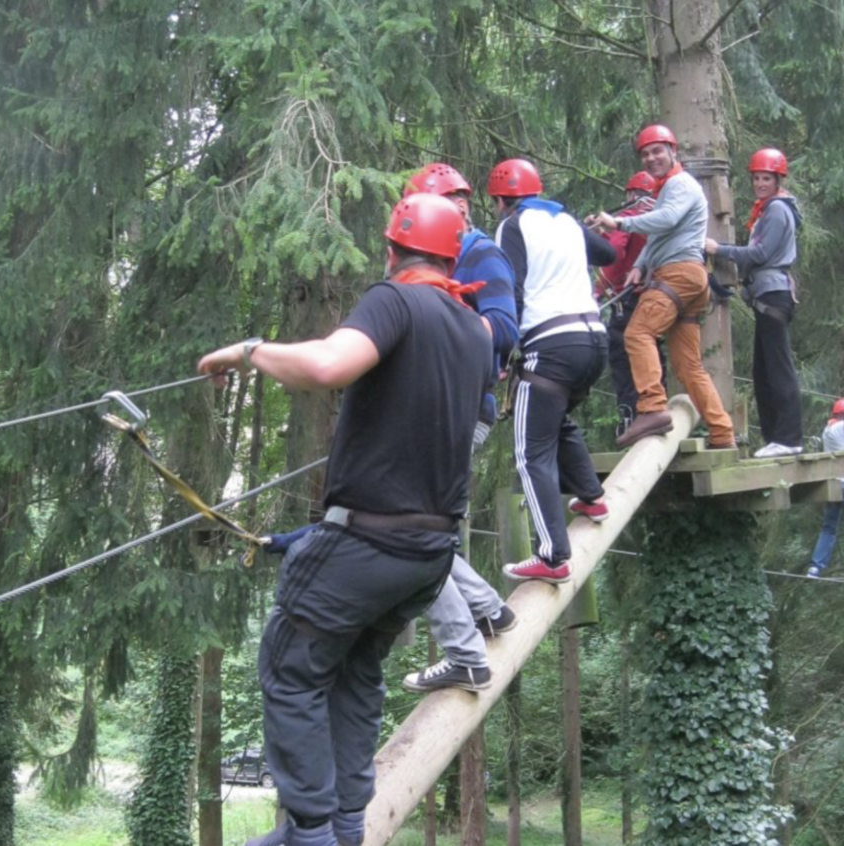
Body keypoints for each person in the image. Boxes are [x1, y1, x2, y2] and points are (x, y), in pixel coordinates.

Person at [198, 192, 493, 846]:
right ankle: (341, 824)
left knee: (290, 663)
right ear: (452, 256)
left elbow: (330, 367)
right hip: (429, 551)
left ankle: (309, 832)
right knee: (355, 668)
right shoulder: (475, 329)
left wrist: (250, 349)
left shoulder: (395, 300)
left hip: (370, 541)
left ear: (393, 251)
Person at [396, 162, 520, 694]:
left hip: (462, 408)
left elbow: (505, 328)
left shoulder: (480, 253)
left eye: (458, 202)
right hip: (438, 408)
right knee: (409, 530)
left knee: (405, 534)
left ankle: (464, 652)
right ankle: (488, 611)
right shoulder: (429, 265)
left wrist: (444, 332)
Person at [489, 158, 616, 585]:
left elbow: (512, 289)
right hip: (593, 339)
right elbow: (607, 253)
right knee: (553, 421)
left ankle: (552, 555)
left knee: (530, 453)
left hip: (552, 346)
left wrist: (503, 352)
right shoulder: (562, 219)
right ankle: (592, 497)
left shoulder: (512, 224)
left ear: (503, 200)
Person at [589, 124, 736, 450]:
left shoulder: (681, 184)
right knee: (687, 365)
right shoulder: (667, 188)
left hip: (678, 276)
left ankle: (652, 408)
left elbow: (667, 219)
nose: (651, 158)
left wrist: (620, 222)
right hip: (689, 278)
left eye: (657, 150)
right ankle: (723, 432)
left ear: (673, 152)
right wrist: (640, 266)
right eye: (645, 153)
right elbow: (661, 234)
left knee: (637, 334)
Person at [705, 148, 804, 457]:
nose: (760, 183)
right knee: (763, 371)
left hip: (773, 294)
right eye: (757, 178)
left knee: (777, 368)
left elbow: (761, 255)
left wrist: (718, 249)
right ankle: (777, 438)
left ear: (777, 180)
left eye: (766, 178)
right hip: (765, 293)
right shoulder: (768, 208)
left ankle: (788, 439)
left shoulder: (776, 210)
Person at [596, 171, 666, 437]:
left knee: (624, 358)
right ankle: (659, 407)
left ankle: (630, 416)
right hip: (655, 294)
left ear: (630, 194)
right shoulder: (659, 220)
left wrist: (597, 290)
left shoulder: (628, 218)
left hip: (626, 296)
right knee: (652, 352)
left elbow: (614, 255)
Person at [807, 398, 844, 578]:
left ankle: (816, 567)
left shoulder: (828, 429)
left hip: (834, 485)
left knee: (829, 528)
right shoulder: (842, 427)